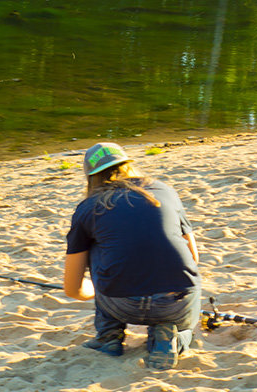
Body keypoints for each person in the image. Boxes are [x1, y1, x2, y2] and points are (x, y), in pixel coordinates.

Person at [63, 142, 202, 370]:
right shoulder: (164, 190)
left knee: (101, 246)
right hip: (177, 301)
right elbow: (193, 256)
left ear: (90, 176)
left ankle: (108, 336)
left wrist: (96, 287)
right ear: (128, 163)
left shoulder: (88, 207)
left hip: (120, 303)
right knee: (183, 323)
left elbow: (72, 289)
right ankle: (175, 339)